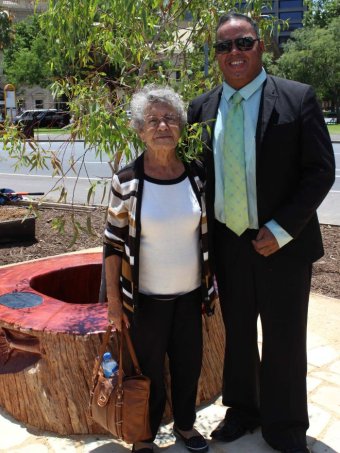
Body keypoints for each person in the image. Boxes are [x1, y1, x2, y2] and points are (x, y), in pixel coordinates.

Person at [187, 12, 335, 453]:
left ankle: (285, 425)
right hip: (227, 244)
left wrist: (281, 228)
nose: (234, 53)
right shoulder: (201, 107)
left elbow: (320, 172)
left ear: (261, 46)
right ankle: (243, 411)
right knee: (236, 336)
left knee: (284, 339)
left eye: (244, 42)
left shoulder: (297, 98)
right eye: (224, 46)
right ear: (216, 54)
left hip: (282, 245)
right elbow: (195, 175)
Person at [104, 85, 216, 453]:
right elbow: (112, 244)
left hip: (188, 297)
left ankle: (185, 425)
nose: (162, 126)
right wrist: (114, 305)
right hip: (145, 301)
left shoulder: (197, 175)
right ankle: (145, 435)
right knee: (148, 371)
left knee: (188, 366)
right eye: (152, 120)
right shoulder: (127, 180)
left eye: (169, 118)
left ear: (181, 126)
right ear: (139, 130)